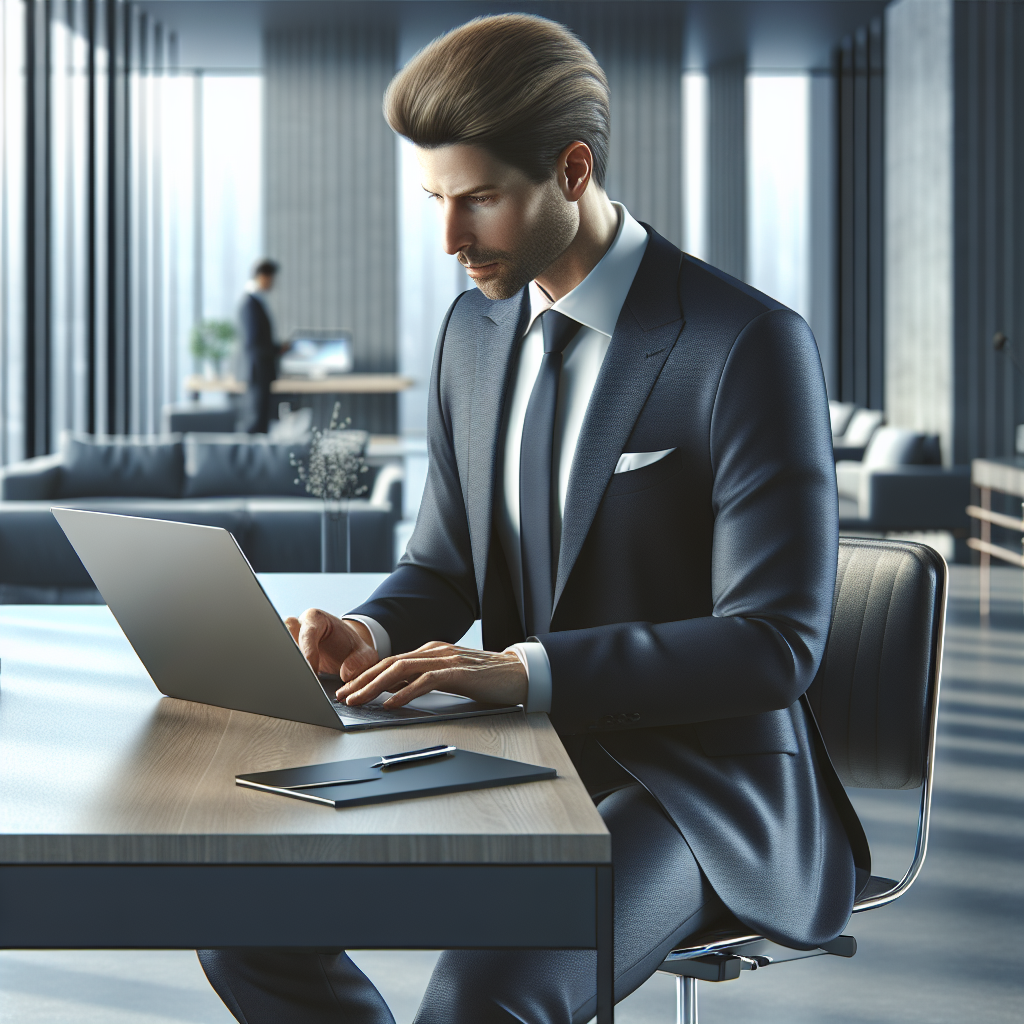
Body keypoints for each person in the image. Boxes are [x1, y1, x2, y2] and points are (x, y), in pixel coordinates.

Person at [199, 14, 868, 1023]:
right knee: (239, 909)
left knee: (484, 997)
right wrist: (368, 629)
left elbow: (775, 644)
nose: (449, 238)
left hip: (699, 785)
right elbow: (445, 564)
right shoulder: (474, 331)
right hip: (516, 750)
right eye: (435, 199)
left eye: (479, 200)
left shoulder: (744, 344)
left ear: (571, 169)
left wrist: (523, 669)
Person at [239, 259, 284, 433]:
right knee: (257, 422)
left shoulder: (257, 301)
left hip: (262, 372)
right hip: (258, 372)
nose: (273, 283)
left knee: (262, 420)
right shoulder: (251, 304)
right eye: (271, 278)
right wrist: (277, 350)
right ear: (262, 277)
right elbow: (254, 343)